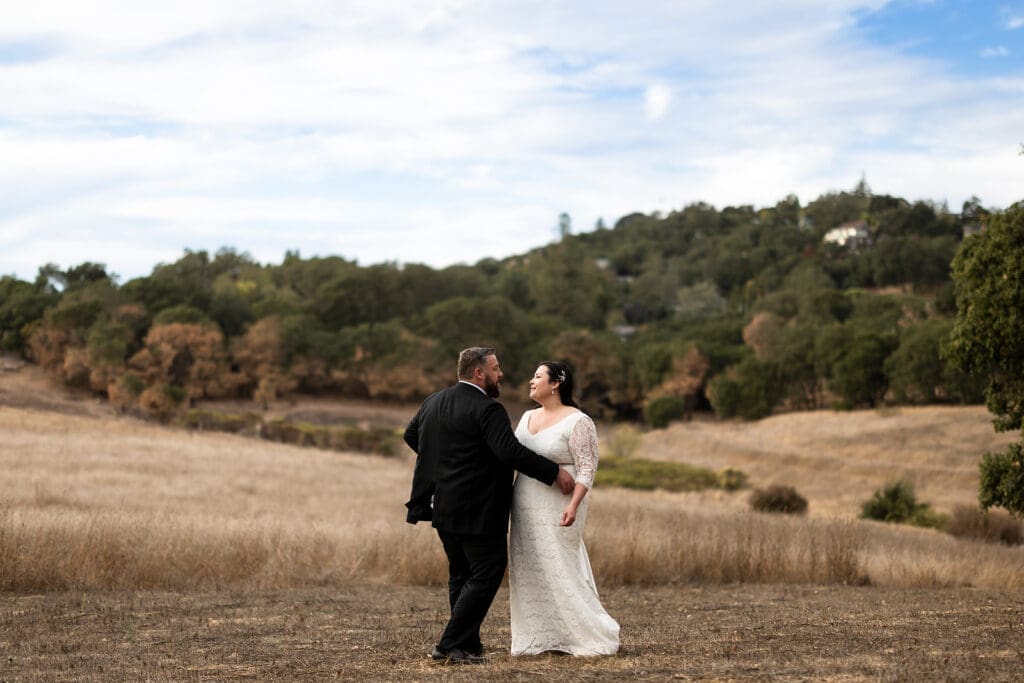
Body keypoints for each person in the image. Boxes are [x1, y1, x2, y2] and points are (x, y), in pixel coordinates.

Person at [404, 347, 576, 665]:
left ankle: (463, 648)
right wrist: (553, 473)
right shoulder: (488, 409)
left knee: (461, 575)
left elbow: (411, 434)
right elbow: (508, 451)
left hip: (442, 504)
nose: (501, 375)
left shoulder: (433, 401)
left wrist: (446, 462)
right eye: (496, 369)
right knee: (486, 572)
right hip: (479, 508)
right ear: (479, 373)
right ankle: (448, 645)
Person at [508, 360, 620, 656]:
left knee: (560, 563)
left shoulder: (578, 421)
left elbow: (587, 467)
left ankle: (585, 635)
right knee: (529, 565)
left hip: (560, 502)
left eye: (537, 376)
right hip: (524, 502)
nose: (530, 381)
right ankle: (539, 638)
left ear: (555, 383)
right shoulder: (526, 417)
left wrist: (573, 504)